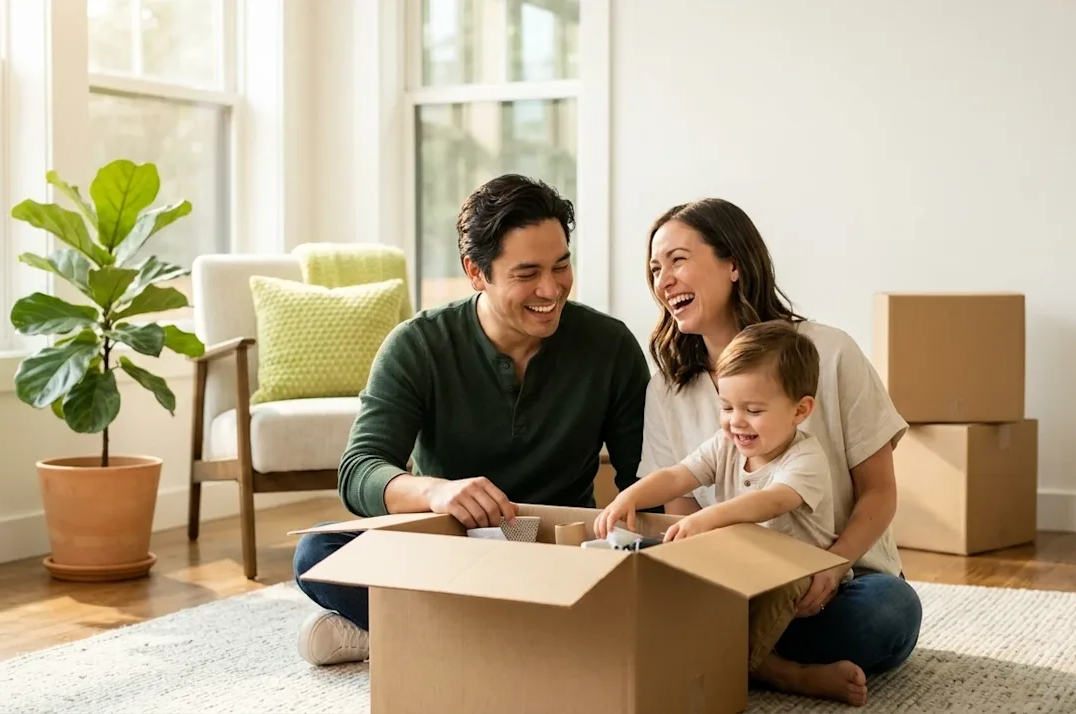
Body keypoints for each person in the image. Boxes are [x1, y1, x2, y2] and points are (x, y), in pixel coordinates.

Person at [291, 174, 650, 667]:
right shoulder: (418, 344)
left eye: (561, 265)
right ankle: (510, 641)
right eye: (527, 274)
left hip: (556, 557)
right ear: (476, 272)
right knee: (319, 552)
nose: (552, 288)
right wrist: (438, 491)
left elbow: (642, 478)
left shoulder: (610, 346)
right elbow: (359, 470)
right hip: (447, 553)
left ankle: (411, 633)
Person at [638, 197, 922, 707]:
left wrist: (833, 567)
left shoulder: (829, 351)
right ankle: (779, 670)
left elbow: (878, 491)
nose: (664, 280)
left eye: (678, 260)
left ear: (734, 264)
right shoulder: (667, 388)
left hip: (840, 581)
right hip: (733, 592)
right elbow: (679, 510)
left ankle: (731, 656)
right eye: (656, 269)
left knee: (887, 615)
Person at [596, 320, 861, 702]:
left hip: (799, 583)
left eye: (753, 410)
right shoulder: (726, 444)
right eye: (726, 406)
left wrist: (705, 518)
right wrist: (629, 498)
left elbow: (770, 501)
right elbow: (677, 475)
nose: (736, 421)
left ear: (800, 410)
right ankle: (758, 663)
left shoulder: (805, 458)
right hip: (743, 574)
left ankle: (784, 674)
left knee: (780, 605)